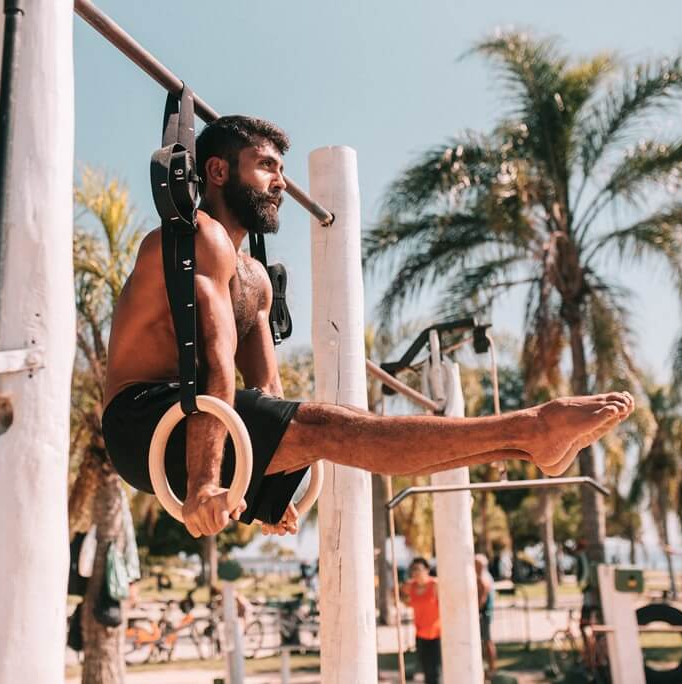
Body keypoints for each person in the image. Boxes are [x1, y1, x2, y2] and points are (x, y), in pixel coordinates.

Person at [100, 114, 636, 538]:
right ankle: (531, 426)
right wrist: (203, 486)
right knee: (329, 427)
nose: (281, 183)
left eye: (282, 170)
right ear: (218, 172)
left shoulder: (256, 280)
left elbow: (267, 393)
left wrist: (273, 485)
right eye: (266, 166)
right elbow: (214, 363)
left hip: (197, 418)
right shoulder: (197, 238)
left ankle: (528, 444)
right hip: (142, 420)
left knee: (325, 431)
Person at [401, 558, 440, 684]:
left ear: (427, 570)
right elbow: (402, 598)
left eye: (419, 569)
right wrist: (402, 596)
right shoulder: (410, 587)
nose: (416, 573)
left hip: (438, 634)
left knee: (435, 671)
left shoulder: (435, 585)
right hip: (420, 634)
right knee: (426, 669)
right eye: (413, 570)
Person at [475, 554, 497, 677]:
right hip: (484, 613)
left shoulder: (483, 577)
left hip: (484, 613)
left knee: (487, 641)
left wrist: (475, 612)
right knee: (485, 641)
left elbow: (482, 599)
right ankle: (488, 668)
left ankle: (492, 669)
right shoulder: (483, 576)